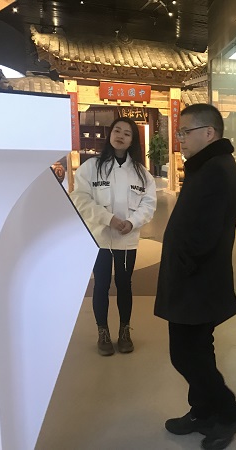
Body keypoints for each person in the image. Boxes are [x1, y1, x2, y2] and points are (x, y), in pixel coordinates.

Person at [154, 103, 236, 450]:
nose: (179, 138)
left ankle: (230, 412)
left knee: (186, 355)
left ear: (209, 133)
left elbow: (204, 235)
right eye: (179, 132)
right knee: (196, 351)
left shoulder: (216, 170)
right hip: (194, 280)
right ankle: (202, 411)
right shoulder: (207, 166)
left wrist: (181, 262)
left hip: (197, 282)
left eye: (185, 132)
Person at [71, 117, 157, 356]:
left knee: (124, 285)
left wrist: (133, 222)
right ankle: (103, 332)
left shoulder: (142, 174)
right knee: (101, 284)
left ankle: (124, 331)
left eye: (127, 133)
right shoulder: (91, 167)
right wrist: (108, 219)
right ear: (110, 134)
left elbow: (148, 204)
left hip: (127, 241)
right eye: (117, 131)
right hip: (99, 239)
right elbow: (80, 199)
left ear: (132, 141)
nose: (121, 136)